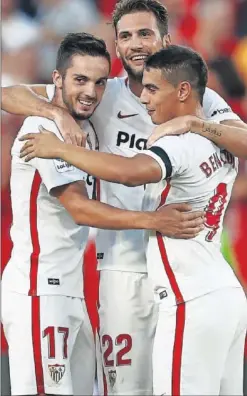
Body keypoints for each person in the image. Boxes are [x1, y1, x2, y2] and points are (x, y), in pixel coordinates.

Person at [2, 0, 247, 394]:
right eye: (126, 36)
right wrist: (57, 114)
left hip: (182, 269)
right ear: (116, 46)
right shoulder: (99, 93)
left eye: (145, 33)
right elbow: (8, 94)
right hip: (121, 271)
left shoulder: (192, 98)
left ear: (165, 39)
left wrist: (195, 123)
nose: (135, 44)